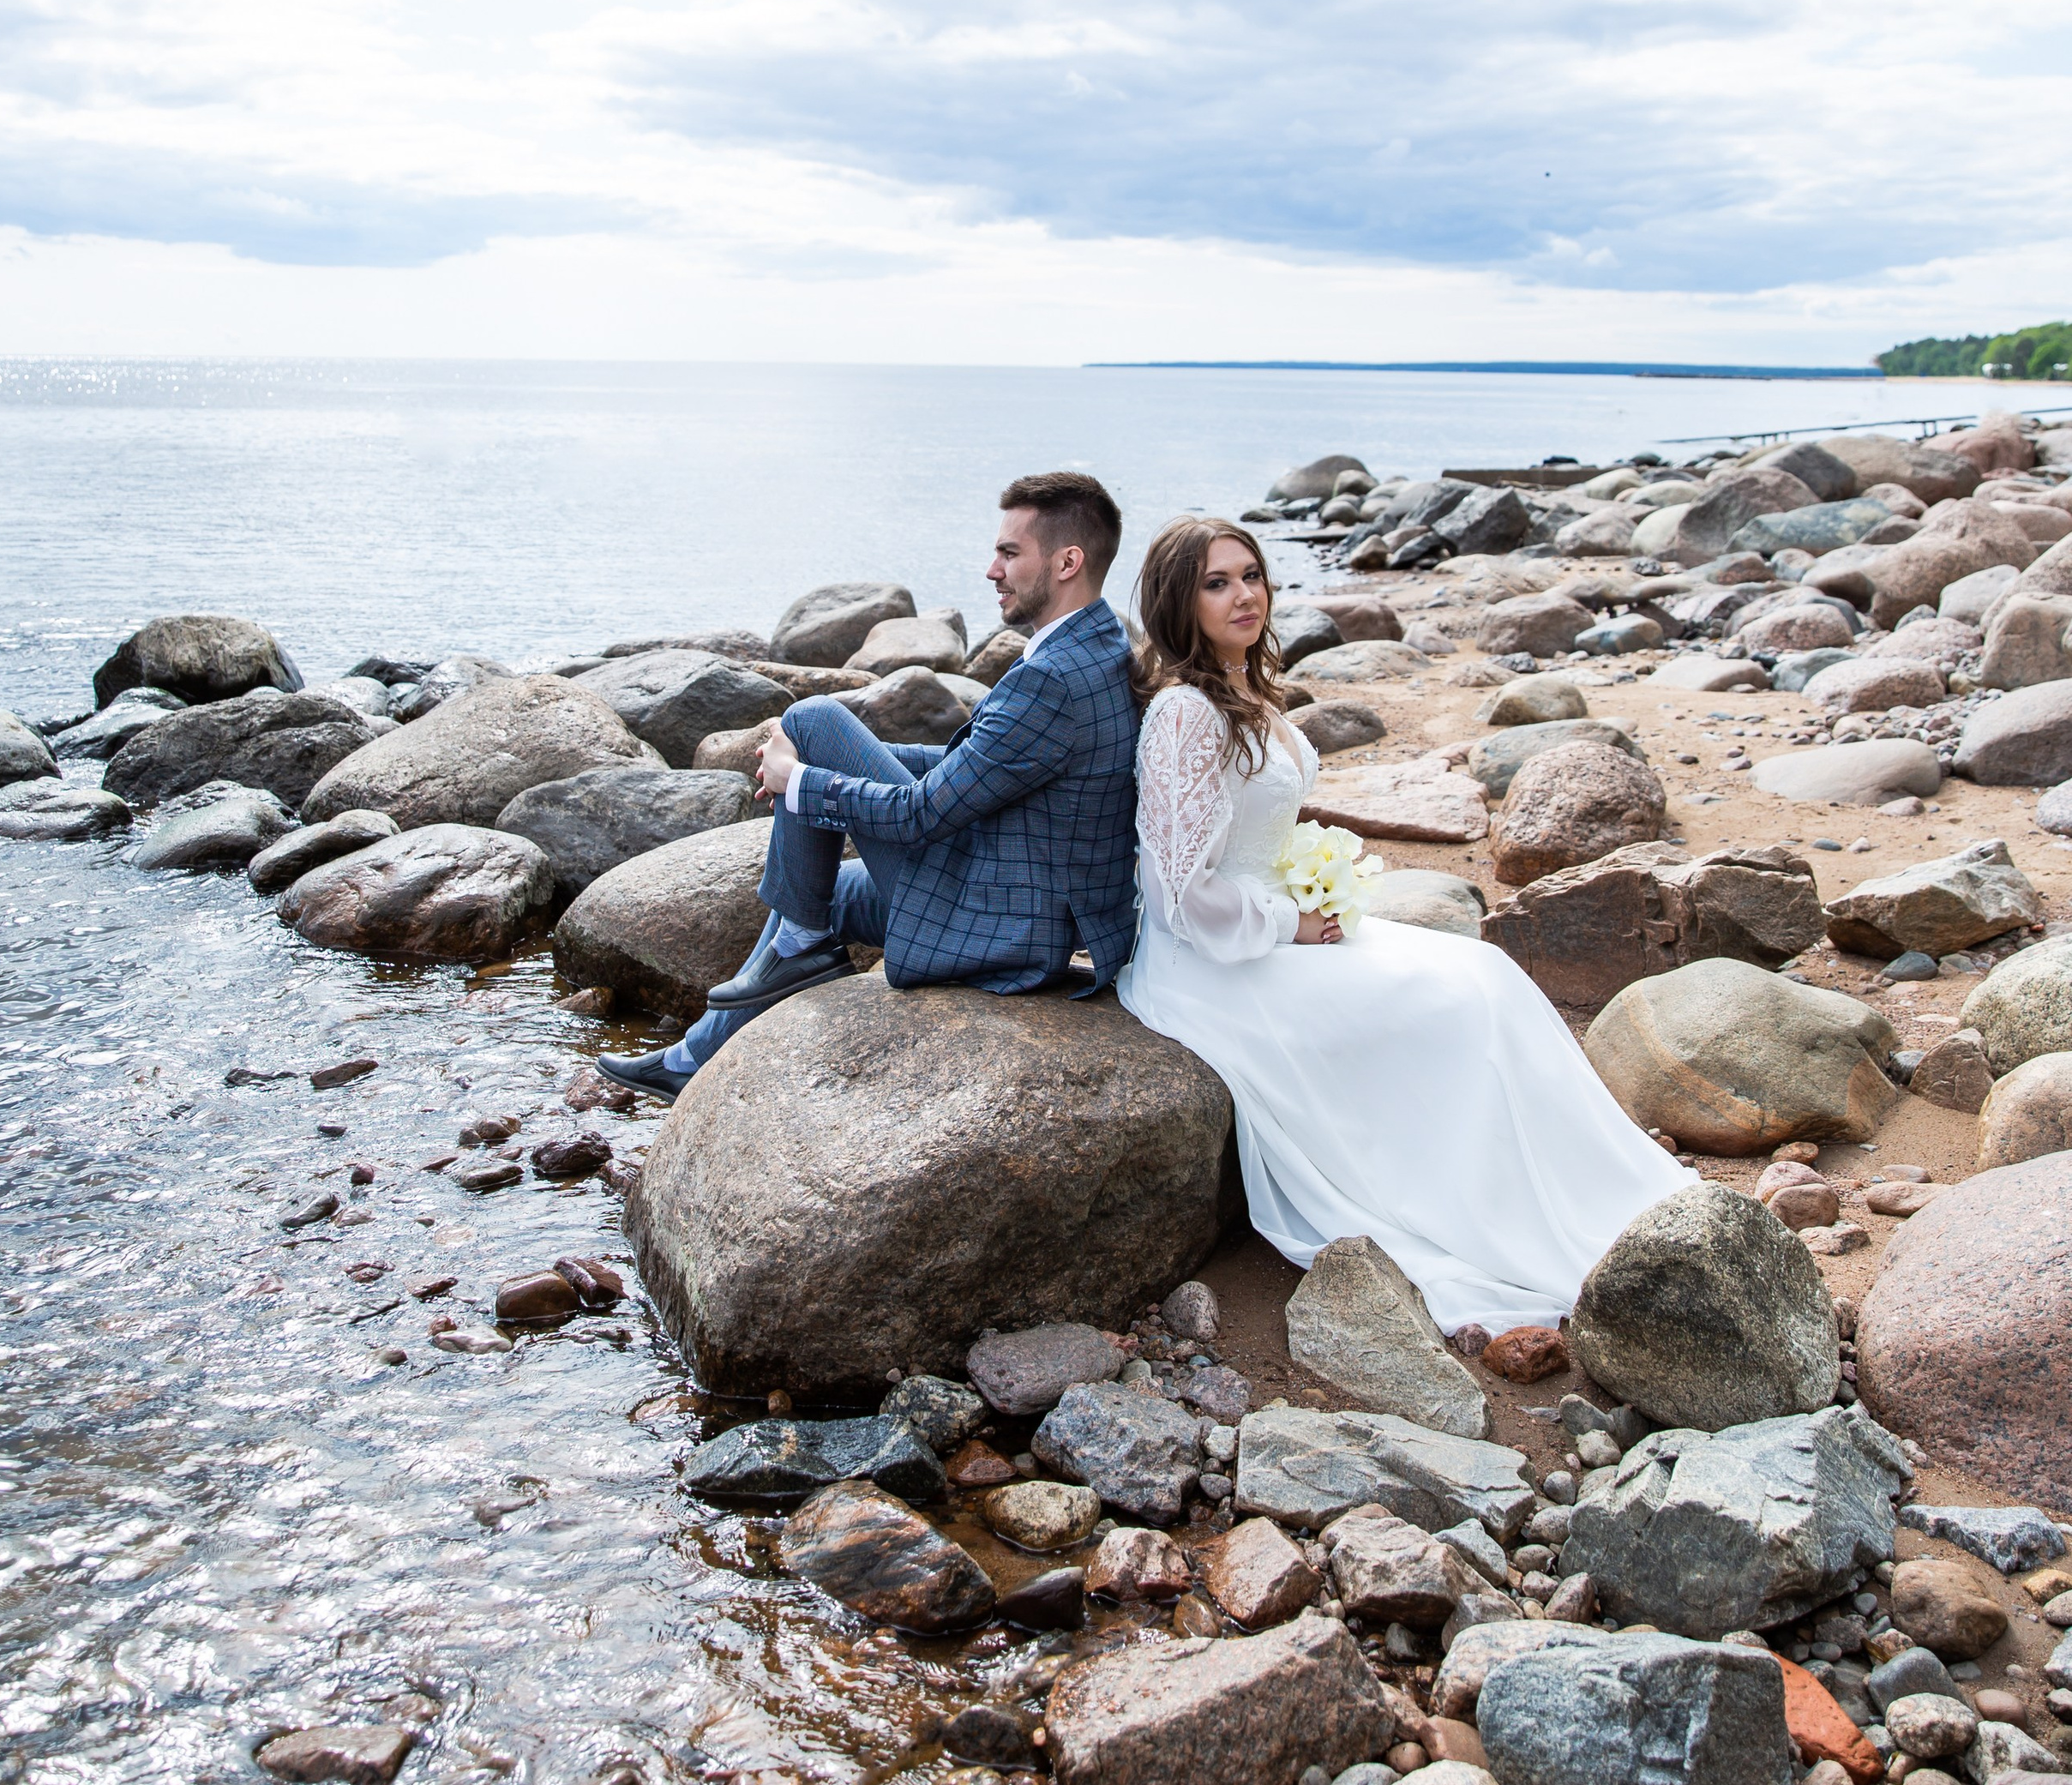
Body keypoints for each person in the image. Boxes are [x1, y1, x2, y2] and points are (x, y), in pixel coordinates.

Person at [1115, 514, 1685, 1331]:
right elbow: (1180, 893)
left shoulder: (1245, 687)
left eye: (1251, 574)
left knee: (1485, 975)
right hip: (1216, 962)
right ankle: (1492, 1210)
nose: (1245, 595)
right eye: (1217, 583)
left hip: (1274, 928)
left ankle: (1554, 1187)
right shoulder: (1185, 715)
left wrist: (1313, 899)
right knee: (1459, 999)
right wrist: (1293, 921)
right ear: (1179, 601)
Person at [598, 471, 1139, 1099]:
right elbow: (982, 766)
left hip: (1010, 928)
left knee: (811, 719)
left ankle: (797, 950)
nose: (992, 569)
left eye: (1010, 553)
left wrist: (801, 781)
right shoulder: (1097, 643)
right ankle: (701, 1054)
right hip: (1029, 896)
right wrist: (857, 761)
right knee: (817, 890)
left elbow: (919, 817)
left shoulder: (1052, 677)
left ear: (1068, 561)